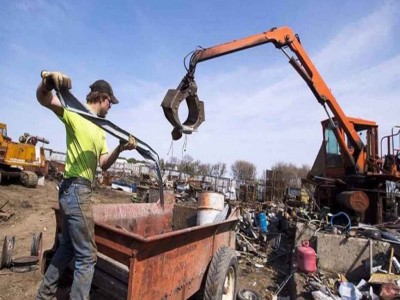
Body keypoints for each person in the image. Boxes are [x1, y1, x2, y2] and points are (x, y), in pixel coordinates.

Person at [36, 71, 137, 300]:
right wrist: (47, 83)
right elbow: (44, 98)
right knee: (88, 256)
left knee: (69, 247)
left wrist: (120, 148)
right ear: (102, 98)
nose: (111, 107)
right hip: (75, 189)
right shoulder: (76, 113)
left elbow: (104, 165)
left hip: (76, 192)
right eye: (111, 102)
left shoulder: (100, 128)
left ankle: (44, 295)